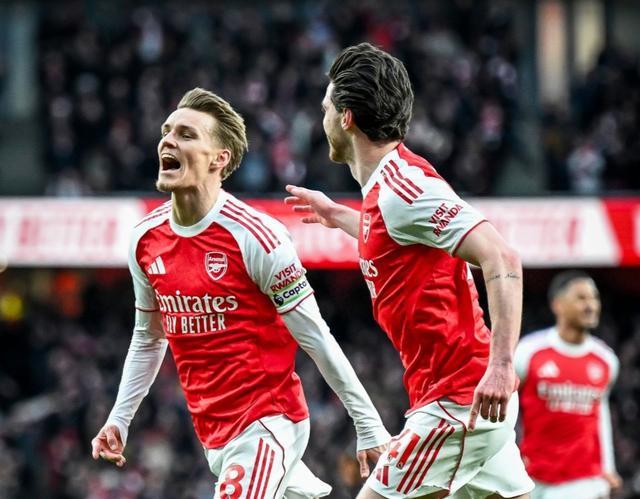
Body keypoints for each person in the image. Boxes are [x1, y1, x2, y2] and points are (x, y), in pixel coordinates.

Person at [90, 87, 391, 499]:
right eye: (166, 131)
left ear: (220, 159)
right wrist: (119, 419)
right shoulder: (145, 239)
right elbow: (148, 337)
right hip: (214, 436)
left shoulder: (257, 237)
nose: (168, 141)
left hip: (268, 423)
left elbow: (316, 337)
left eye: (186, 134)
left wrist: (367, 422)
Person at [285, 42, 534, 499]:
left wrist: (501, 366)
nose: (322, 119)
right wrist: (338, 216)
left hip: (458, 402)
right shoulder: (389, 189)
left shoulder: (402, 189)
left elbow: (502, 257)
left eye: (326, 109)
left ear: (346, 118)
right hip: (465, 399)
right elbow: (398, 239)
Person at [514, 271, 621, 499]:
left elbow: (601, 414)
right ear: (558, 304)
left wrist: (608, 467)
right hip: (532, 474)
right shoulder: (529, 352)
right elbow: (507, 408)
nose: (591, 305)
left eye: (594, 298)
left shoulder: (605, 360)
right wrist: (509, 455)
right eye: (581, 298)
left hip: (583, 479)